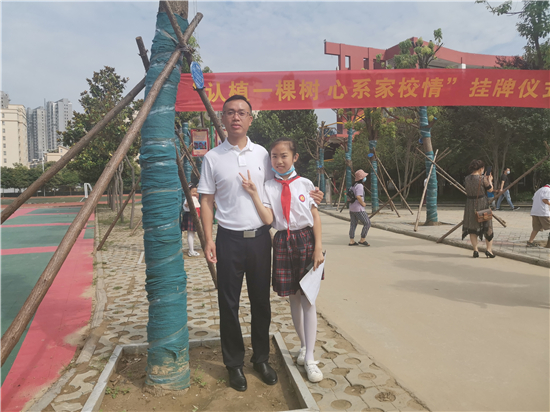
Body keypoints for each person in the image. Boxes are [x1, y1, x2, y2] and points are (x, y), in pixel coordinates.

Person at [198, 95, 323, 392]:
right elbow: (207, 201)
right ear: (223, 118)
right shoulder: (212, 158)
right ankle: (234, 364)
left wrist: (312, 195)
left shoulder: (263, 155)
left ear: (250, 119)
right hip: (228, 239)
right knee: (228, 303)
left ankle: (261, 359)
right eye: (230, 112)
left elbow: (283, 182)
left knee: (261, 302)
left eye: (242, 112)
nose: (236, 117)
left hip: (260, 241)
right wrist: (208, 239)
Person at [239, 137, 325, 383]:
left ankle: (311, 358)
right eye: (274, 156)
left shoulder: (306, 184)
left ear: (295, 157)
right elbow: (268, 219)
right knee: (294, 298)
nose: (278, 160)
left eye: (284, 156)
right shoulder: (268, 186)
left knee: (308, 298)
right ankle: (303, 346)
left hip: (306, 241)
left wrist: (318, 248)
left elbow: (315, 218)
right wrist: (254, 194)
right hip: (282, 242)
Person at [462, 159, 495, 258]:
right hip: (482, 204)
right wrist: (490, 180)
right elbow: (490, 189)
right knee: (488, 227)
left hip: (470, 204)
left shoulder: (467, 178)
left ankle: (475, 250)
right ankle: (489, 250)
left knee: (472, 228)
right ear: (481, 168)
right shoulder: (482, 178)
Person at [349, 169, 371, 246]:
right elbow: (358, 196)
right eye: (364, 176)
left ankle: (351, 240)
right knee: (367, 223)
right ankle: (362, 239)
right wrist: (363, 203)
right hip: (358, 208)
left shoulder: (353, 186)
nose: (365, 178)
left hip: (352, 208)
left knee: (353, 224)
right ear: (361, 178)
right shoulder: (360, 186)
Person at [181, 183, 201, 257]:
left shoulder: (194, 198)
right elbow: (186, 204)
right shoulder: (189, 198)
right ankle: (191, 250)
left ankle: (191, 249)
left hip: (193, 216)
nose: (195, 193)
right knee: (190, 233)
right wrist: (188, 203)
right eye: (193, 192)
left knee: (192, 234)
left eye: (196, 192)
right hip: (190, 216)